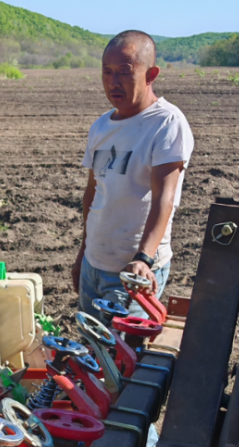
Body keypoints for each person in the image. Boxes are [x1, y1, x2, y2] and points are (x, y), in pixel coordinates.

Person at [72, 30, 195, 318]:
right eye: (107, 72)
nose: (113, 82)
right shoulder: (101, 126)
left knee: (123, 347)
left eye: (124, 73)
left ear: (151, 74)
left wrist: (144, 259)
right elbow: (93, 195)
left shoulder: (166, 123)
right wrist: (83, 255)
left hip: (133, 274)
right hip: (94, 265)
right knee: (90, 345)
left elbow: (165, 199)